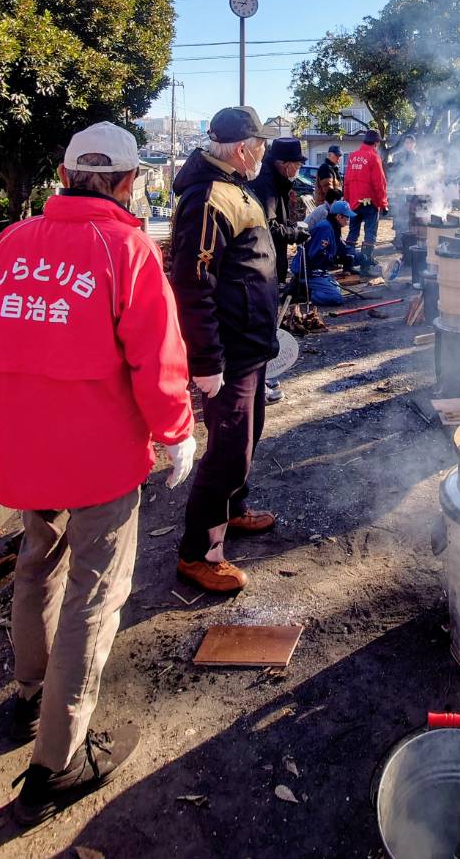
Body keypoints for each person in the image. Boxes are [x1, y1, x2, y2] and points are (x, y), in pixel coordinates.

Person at [0, 122, 196, 827]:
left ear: (63, 175)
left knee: (38, 564)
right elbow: (157, 358)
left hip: (28, 450)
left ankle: (31, 693)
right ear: (127, 182)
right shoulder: (126, 248)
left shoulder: (9, 245)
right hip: (100, 458)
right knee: (96, 591)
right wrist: (177, 431)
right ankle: (59, 761)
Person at [170, 106, 281, 595]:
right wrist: (207, 361)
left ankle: (232, 512)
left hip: (251, 345)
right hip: (230, 353)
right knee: (228, 451)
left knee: (248, 437)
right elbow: (193, 284)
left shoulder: (235, 186)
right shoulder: (208, 197)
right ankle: (199, 551)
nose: (263, 151)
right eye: (259, 144)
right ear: (241, 149)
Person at [249, 137, 311, 403]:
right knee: (261, 326)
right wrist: (296, 234)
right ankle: (257, 383)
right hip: (262, 265)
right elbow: (270, 227)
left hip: (269, 262)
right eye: (296, 164)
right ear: (284, 164)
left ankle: (263, 374)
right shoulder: (267, 184)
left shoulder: (275, 181)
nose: (298, 169)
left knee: (266, 324)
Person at [343, 128, 387, 276]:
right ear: (376, 143)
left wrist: (347, 200)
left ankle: (347, 264)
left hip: (354, 202)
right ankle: (365, 267)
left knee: (352, 232)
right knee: (370, 234)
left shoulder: (353, 156)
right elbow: (379, 183)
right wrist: (383, 203)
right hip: (370, 203)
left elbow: (347, 181)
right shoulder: (373, 157)